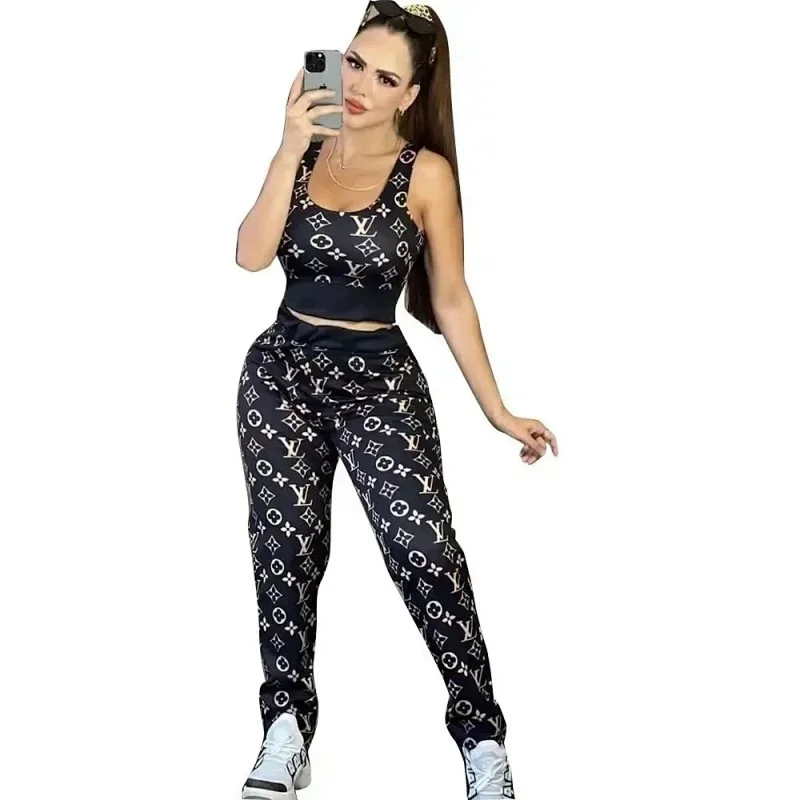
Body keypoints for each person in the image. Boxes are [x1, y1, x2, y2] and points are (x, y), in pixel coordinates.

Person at [234, 3, 558, 798]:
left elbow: (450, 298)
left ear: (411, 95)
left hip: (379, 378)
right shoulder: (304, 147)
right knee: (284, 554)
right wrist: (286, 148)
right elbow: (250, 256)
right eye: (353, 63)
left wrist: (498, 410)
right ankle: (285, 731)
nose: (359, 86)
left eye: (384, 78)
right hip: (281, 375)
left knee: (425, 553)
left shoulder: (427, 175)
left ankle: (481, 740)